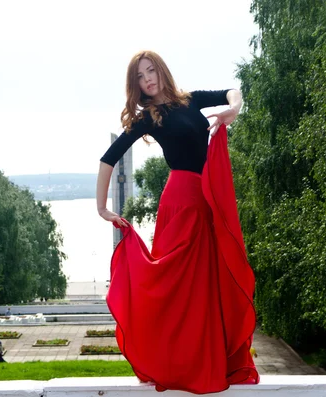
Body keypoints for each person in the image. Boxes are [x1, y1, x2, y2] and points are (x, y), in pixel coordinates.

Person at [97, 50, 258, 394]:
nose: (147, 80)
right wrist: (102, 208)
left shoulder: (192, 100)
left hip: (208, 198)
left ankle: (213, 364)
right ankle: (176, 364)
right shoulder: (149, 117)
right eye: (140, 77)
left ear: (161, 70)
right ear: (136, 85)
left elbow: (233, 92)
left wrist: (233, 109)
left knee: (211, 283)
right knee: (179, 286)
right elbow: (109, 159)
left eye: (150, 71)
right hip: (181, 202)